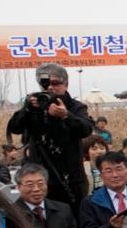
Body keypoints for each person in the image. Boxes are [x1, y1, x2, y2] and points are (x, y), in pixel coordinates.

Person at [7, 63, 94, 210]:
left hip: (70, 178)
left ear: (65, 84)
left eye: (55, 83)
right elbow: (15, 128)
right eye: (45, 84)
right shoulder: (35, 106)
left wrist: (66, 115)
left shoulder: (75, 106)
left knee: (75, 221)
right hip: (40, 178)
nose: (50, 88)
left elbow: (86, 129)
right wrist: (27, 108)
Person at [18, 163, 86, 228]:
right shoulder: (11, 214)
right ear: (18, 187)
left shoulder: (63, 209)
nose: (36, 189)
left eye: (40, 184)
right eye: (30, 185)